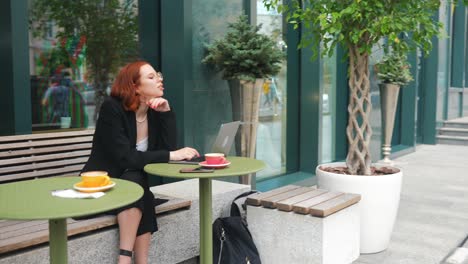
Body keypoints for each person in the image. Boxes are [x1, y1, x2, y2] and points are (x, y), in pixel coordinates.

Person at [81, 61, 200, 264]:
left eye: (158, 75)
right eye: (152, 77)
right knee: (138, 184)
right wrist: (172, 155)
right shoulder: (112, 109)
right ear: (135, 86)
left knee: (138, 185)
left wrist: (166, 113)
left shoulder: (154, 112)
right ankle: (130, 259)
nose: (160, 80)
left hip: (134, 188)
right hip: (103, 187)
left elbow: (167, 149)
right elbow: (125, 158)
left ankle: (131, 260)